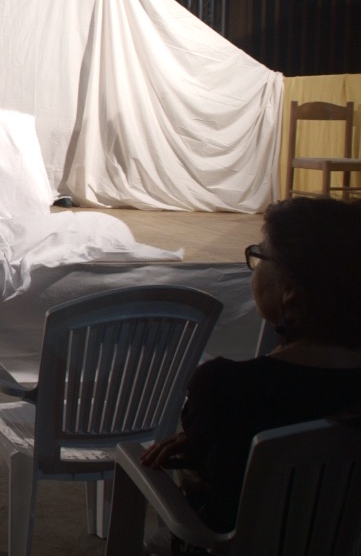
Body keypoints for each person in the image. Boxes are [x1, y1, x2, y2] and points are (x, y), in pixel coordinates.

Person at [140, 197, 361, 541]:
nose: (255, 267)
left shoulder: (226, 388)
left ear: (290, 291)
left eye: (260, 256)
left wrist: (201, 437)